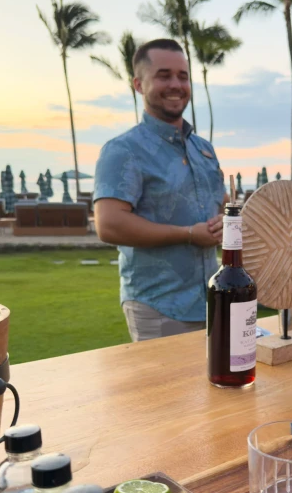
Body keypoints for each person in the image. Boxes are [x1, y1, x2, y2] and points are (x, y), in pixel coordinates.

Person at [94, 38, 226, 342]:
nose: (176, 84)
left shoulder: (203, 149)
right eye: (164, 75)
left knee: (214, 388)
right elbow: (109, 224)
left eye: (182, 75)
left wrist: (227, 221)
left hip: (212, 301)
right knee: (164, 391)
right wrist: (189, 234)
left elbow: (220, 205)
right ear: (138, 85)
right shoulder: (123, 150)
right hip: (159, 304)